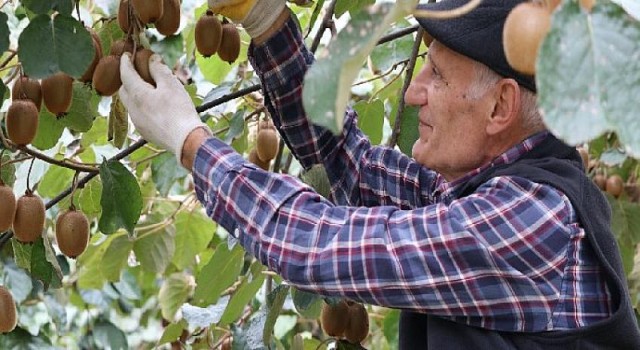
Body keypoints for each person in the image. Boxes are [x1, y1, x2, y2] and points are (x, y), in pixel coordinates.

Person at [118, 0, 640, 348]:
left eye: (436, 75)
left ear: (500, 107)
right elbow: (349, 163)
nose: (414, 93)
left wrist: (191, 142)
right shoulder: (483, 193)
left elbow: (316, 246)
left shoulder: (532, 221)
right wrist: (265, 20)